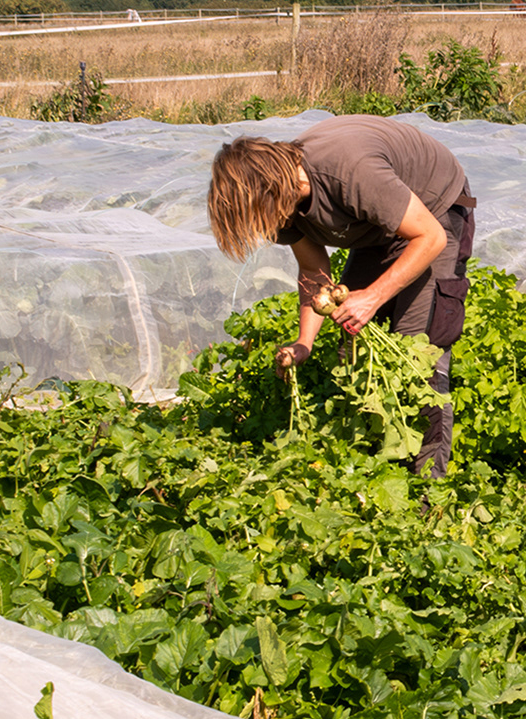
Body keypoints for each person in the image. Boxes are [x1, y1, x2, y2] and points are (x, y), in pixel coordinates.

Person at [205, 119, 479, 474]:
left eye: (261, 216)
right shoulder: (282, 202)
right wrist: (305, 342)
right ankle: (376, 463)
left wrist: (374, 295)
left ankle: (428, 487)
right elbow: (313, 273)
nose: (268, 228)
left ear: (271, 191)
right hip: (379, 224)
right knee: (353, 345)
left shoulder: (349, 173)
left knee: (417, 356)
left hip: (434, 210)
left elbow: (429, 238)